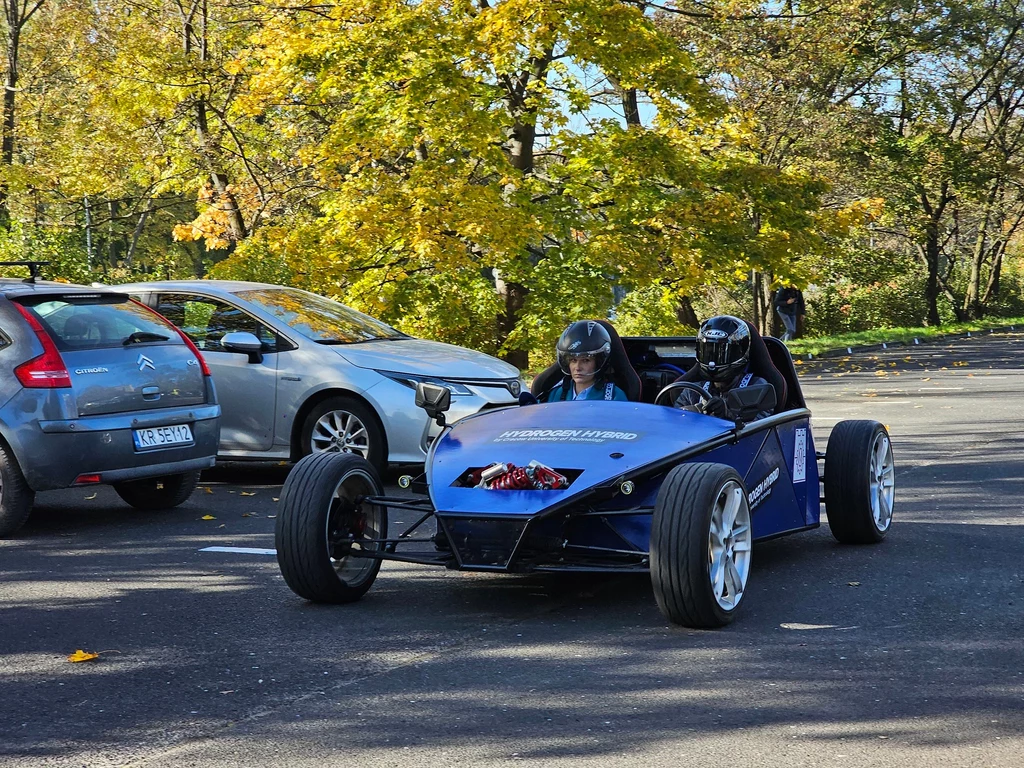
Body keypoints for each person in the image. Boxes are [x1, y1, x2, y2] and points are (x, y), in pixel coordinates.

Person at [674, 315, 774, 420]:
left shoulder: (756, 386)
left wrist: (728, 412)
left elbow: (760, 428)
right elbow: (675, 422)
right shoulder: (692, 391)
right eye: (709, 352)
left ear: (740, 352)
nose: (713, 361)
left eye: (721, 353)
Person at [542, 321, 628, 402]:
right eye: (573, 360)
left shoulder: (613, 396)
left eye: (585, 360)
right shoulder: (557, 393)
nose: (578, 367)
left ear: (599, 362)